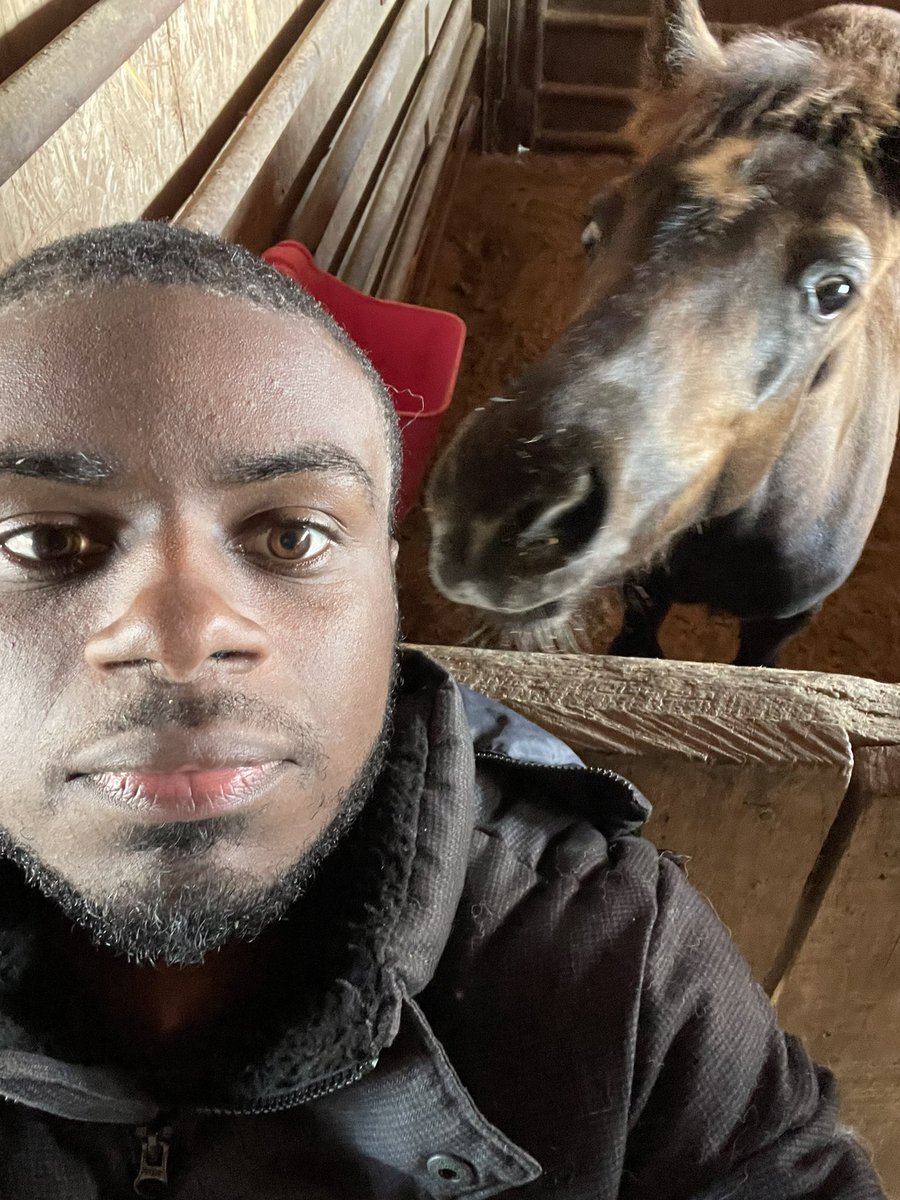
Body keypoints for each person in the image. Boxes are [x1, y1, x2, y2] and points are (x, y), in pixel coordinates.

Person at [0, 221, 883, 1200]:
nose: (182, 639)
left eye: (293, 536)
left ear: (390, 591)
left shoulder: (617, 965)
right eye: (39, 542)